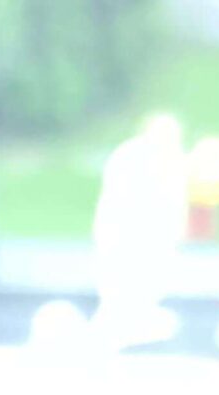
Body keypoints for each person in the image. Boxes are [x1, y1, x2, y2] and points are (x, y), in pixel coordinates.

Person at [91, 112, 188, 349]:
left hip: (154, 242)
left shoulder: (173, 160)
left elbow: (177, 202)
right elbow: (120, 203)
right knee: (119, 295)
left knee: (147, 292)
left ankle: (133, 336)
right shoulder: (129, 157)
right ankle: (106, 340)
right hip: (125, 239)